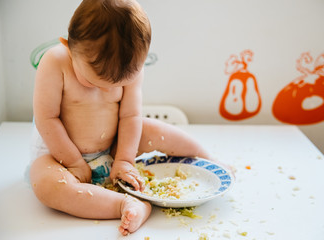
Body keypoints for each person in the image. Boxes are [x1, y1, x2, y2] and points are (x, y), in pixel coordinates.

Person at [29, 0, 210, 236]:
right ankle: (125, 204)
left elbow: (130, 115)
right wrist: (73, 161)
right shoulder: (55, 62)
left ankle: (209, 164)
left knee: (156, 130)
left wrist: (124, 159)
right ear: (68, 46)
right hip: (59, 155)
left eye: (119, 85)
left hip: (114, 146)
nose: (105, 90)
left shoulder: (130, 64)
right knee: (46, 186)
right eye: (92, 82)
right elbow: (47, 118)